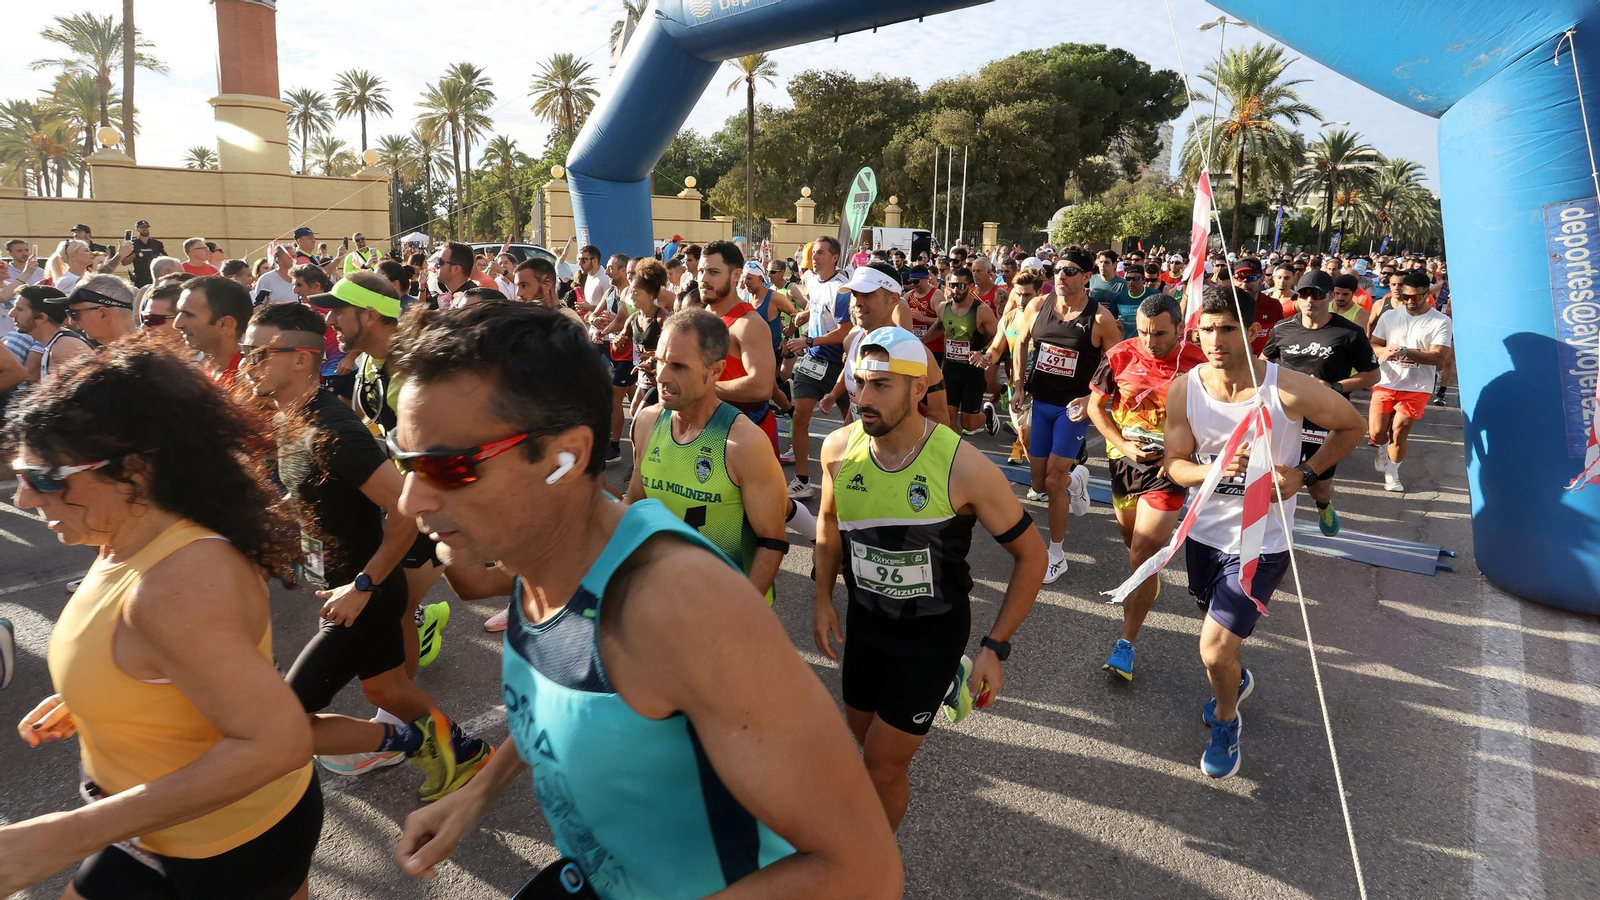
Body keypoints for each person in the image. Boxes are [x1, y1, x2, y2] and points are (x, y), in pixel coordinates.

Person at [386, 301, 903, 897]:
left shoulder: (680, 609)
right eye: (406, 462)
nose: (409, 501)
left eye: (448, 466)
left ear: (567, 458)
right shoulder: (541, 554)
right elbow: (559, 708)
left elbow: (864, 870)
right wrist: (475, 796)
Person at [2, 344, 321, 898]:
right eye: (20, 475)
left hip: (229, 845)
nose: (25, 498)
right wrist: (103, 695)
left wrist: (67, 834)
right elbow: (167, 661)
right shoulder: (126, 536)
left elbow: (277, 743)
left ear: (136, 470)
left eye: (46, 477)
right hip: (153, 827)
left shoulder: (176, 585)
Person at [242, 301, 492, 799]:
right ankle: (465, 755)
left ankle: (399, 742)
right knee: (386, 689)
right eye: (247, 352)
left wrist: (363, 586)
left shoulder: (333, 431)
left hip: (364, 596)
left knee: (289, 718)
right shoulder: (292, 416)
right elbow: (313, 489)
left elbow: (403, 511)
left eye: (260, 352)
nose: (249, 363)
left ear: (301, 358)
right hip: (348, 591)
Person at [812, 325, 1046, 829]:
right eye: (860, 382)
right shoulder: (837, 450)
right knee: (866, 739)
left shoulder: (964, 466)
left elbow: (1032, 556)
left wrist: (995, 647)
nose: (863, 398)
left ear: (919, 389)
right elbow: (829, 525)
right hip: (867, 624)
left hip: (932, 633)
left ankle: (873, 870)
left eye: (881, 385)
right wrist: (822, 599)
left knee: (881, 764)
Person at [1159, 287, 1364, 779]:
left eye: (1227, 328)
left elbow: (1352, 425)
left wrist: (1304, 475)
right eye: (1206, 329)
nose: (1215, 339)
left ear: (1254, 332)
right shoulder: (1186, 388)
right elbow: (1174, 466)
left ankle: (1226, 720)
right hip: (1205, 536)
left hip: (1262, 544)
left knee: (1212, 648)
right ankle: (1235, 675)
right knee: (1221, 643)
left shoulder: (1286, 388)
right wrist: (1221, 469)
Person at [318, 272, 457, 667]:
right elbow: (369, 421)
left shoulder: (418, 370)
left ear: (370, 314)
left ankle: (404, 722)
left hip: (433, 497)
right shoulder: (368, 362)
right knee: (476, 584)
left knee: (397, 609)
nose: (329, 321)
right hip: (404, 494)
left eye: (338, 311)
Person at [628, 309, 790, 603]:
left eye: (678, 366)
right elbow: (635, 504)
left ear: (715, 371)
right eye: (660, 361)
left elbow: (772, 540)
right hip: (662, 598)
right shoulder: (648, 421)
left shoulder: (744, 442)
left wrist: (743, 615)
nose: (662, 376)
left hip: (724, 605)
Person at [1085, 293, 1209, 680]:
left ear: (1179, 329)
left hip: (1170, 470)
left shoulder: (1199, 363)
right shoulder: (1121, 353)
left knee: (1141, 553)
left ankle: (1125, 645)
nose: (1149, 342)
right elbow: (1095, 408)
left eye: (1159, 334)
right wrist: (1124, 446)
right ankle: (1147, 580)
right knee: (1133, 548)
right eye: (1142, 332)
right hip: (1124, 463)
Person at [1012, 248, 1120, 583]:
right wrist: (1017, 385)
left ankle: (1056, 555)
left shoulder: (1100, 319)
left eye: (1070, 271)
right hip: (1040, 403)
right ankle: (1079, 480)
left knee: (1053, 483)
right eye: (1057, 269)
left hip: (1072, 411)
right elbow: (1020, 342)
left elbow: (1118, 363)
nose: (1061, 275)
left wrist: (1091, 397)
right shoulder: (1036, 305)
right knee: (1038, 483)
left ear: (1087, 277)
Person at [1262, 270, 1381, 534]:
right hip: (1285, 413)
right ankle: (1270, 526)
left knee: (1318, 484)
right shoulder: (1282, 328)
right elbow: (1265, 361)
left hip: (1325, 417)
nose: (1310, 301)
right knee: (1276, 471)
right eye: (1304, 294)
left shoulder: (1348, 333)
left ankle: (1324, 505)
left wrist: (1333, 387)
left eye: (1317, 295)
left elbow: (1373, 375)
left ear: (1328, 297)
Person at [780, 235, 852, 498]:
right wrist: (803, 316)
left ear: (835, 258)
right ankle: (802, 479)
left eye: (821, 253)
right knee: (800, 417)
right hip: (812, 361)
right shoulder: (813, 280)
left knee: (851, 425)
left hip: (840, 364)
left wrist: (809, 339)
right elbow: (816, 305)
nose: (815, 257)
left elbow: (846, 331)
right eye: (814, 252)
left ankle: (848, 477)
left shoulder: (843, 290)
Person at [1369, 271, 1454, 493]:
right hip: (1386, 381)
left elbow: (1439, 358)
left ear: (1427, 294)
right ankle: (1382, 448)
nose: (1409, 301)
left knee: (1399, 430)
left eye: (1415, 297)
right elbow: (1374, 343)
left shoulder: (1441, 321)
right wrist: (1384, 350)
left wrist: (1405, 351)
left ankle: (1392, 473)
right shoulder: (1390, 316)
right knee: (1377, 433)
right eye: (1406, 296)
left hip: (1416, 386)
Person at [922, 266, 997, 435]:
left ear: (970, 286)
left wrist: (984, 352)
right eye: (952, 285)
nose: (956, 290)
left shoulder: (981, 310)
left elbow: (1000, 337)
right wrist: (919, 342)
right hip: (950, 370)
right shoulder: (943, 308)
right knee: (947, 421)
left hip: (973, 372)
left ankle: (987, 414)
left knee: (969, 424)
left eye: (961, 286)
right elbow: (938, 327)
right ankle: (955, 456)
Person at [174, 275, 251, 386]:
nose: (177, 324)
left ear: (225, 324)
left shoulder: (252, 381)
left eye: (189, 315)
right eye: (178, 313)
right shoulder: (200, 370)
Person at [11, 286, 89, 381]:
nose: (11, 314)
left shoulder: (64, 347)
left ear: (41, 318)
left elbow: (85, 392)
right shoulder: (56, 344)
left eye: (19, 309)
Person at [53, 276, 138, 348]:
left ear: (103, 314)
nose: (71, 321)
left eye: (74, 314)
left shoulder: (146, 359)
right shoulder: (111, 356)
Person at [118, 220, 166, 288]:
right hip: (140, 280)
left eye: (146, 227)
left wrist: (157, 256)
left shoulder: (157, 244)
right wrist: (135, 254)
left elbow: (166, 259)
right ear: (137, 229)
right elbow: (124, 262)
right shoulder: (132, 244)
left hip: (155, 279)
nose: (145, 229)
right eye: (142, 227)